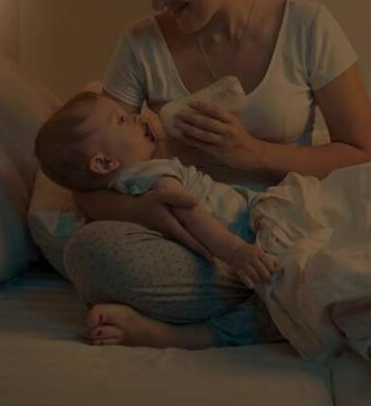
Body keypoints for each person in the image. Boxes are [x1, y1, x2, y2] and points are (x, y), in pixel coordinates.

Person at [62, 0, 371, 349]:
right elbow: (91, 182)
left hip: (283, 228)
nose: (156, 1)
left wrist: (254, 155)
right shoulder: (139, 45)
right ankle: (285, 303)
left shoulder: (308, 26)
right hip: (194, 241)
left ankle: (211, 322)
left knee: (348, 251)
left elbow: (363, 152)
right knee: (88, 253)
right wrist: (144, 209)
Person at [35, 91, 280, 291]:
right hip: (250, 222)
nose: (137, 117)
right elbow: (188, 209)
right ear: (104, 162)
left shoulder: (123, 186)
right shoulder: (150, 173)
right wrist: (235, 251)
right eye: (121, 120)